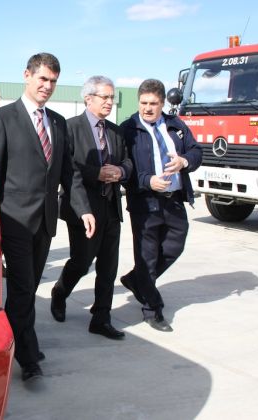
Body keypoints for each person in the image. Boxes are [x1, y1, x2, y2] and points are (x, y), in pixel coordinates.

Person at [0, 53, 95, 381]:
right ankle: (29, 359)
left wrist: (83, 208)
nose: (47, 86)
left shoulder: (58, 123)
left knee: (28, 289)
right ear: (27, 76)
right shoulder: (3, 118)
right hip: (14, 220)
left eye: (53, 81)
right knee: (21, 288)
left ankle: (11, 342)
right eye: (42, 79)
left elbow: (68, 174)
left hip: (45, 223)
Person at [50, 76, 132, 340]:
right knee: (82, 261)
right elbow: (68, 168)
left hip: (110, 208)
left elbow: (129, 162)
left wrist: (120, 170)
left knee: (109, 266)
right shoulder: (70, 128)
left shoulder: (116, 132)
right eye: (104, 97)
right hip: (82, 209)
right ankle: (60, 292)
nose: (110, 102)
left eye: (112, 97)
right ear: (88, 98)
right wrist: (96, 173)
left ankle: (101, 318)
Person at [120, 79, 202, 332]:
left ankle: (137, 280)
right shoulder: (128, 129)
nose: (147, 108)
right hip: (145, 202)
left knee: (174, 247)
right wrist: (147, 180)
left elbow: (197, 151)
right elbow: (125, 167)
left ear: (162, 103)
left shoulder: (176, 125)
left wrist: (184, 162)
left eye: (153, 103)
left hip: (174, 200)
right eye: (143, 103)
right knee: (146, 257)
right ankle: (151, 308)